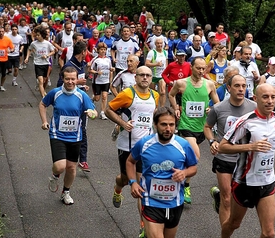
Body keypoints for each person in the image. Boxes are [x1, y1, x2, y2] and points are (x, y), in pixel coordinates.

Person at [218, 83, 275, 238]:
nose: (270, 101)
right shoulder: (245, 121)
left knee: (269, 233)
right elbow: (222, 147)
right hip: (245, 182)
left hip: (267, 181)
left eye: (273, 97)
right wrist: (251, 146)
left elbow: (269, 144)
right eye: (265, 97)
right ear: (255, 99)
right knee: (234, 224)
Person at [126, 107, 198, 238]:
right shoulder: (144, 143)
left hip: (175, 202)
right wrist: (133, 183)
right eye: (164, 124)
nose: (168, 129)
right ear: (155, 125)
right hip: (150, 201)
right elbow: (130, 161)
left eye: (171, 125)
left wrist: (184, 173)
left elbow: (193, 168)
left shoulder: (183, 145)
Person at [105, 66, 159, 238]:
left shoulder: (155, 95)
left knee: (142, 185)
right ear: (135, 77)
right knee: (126, 179)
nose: (145, 78)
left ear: (151, 78)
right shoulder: (128, 94)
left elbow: (152, 118)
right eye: (141, 75)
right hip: (126, 146)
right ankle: (118, 187)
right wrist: (122, 123)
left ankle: (143, 225)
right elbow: (108, 110)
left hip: (146, 146)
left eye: (148, 75)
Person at [39, 66, 98, 205]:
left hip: (75, 137)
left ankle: (66, 192)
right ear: (62, 79)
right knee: (60, 167)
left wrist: (92, 114)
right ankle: (55, 176)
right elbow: (42, 104)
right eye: (67, 79)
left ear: (77, 79)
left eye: (73, 79)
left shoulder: (81, 95)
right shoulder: (55, 93)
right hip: (57, 134)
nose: (70, 81)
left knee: (71, 168)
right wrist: (44, 121)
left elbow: (93, 111)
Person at [204, 74, 256, 227]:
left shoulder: (253, 107)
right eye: (237, 86)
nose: (241, 89)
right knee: (227, 199)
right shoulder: (218, 108)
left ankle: (218, 197)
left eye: (243, 86)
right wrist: (212, 141)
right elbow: (207, 127)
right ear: (228, 87)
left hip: (244, 160)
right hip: (224, 157)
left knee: (236, 198)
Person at [169, 57, 219, 204]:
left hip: (202, 127)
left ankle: (180, 177)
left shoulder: (210, 84)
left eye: (204, 68)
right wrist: (176, 108)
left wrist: (212, 109)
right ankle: (186, 186)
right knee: (195, 155)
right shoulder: (181, 83)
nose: (201, 71)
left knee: (188, 158)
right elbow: (171, 95)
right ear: (191, 67)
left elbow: (218, 104)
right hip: (186, 126)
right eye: (198, 68)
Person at [57, 41, 92, 172]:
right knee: (68, 130)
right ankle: (64, 159)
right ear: (83, 52)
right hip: (68, 106)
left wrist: (83, 86)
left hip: (80, 103)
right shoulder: (68, 66)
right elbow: (59, 85)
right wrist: (77, 82)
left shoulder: (81, 65)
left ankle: (83, 160)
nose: (87, 53)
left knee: (82, 130)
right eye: (86, 51)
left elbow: (78, 85)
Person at [24, 26, 56, 98]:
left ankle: (41, 87)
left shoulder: (47, 43)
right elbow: (29, 49)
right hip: (37, 63)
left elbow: (53, 51)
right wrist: (27, 58)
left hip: (46, 63)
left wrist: (47, 55)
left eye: (38, 35)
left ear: (43, 35)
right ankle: (43, 98)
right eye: (36, 35)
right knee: (41, 80)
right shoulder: (34, 43)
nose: (37, 37)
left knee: (44, 80)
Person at [90, 42, 115, 119]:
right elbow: (90, 70)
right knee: (97, 98)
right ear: (98, 50)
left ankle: (102, 112)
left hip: (105, 81)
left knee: (104, 96)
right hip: (97, 81)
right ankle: (92, 99)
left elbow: (110, 69)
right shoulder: (95, 60)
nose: (103, 51)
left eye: (104, 49)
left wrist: (112, 69)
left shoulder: (108, 59)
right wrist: (97, 72)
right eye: (101, 49)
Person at [145, 38, 167, 107]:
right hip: (153, 75)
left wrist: (167, 72)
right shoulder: (152, 52)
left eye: (161, 43)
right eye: (158, 43)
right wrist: (156, 64)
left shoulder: (165, 52)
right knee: (152, 93)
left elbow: (166, 63)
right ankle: (154, 107)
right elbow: (147, 63)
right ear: (155, 44)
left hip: (162, 75)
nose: (160, 45)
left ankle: (162, 108)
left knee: (163, 92)